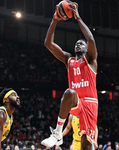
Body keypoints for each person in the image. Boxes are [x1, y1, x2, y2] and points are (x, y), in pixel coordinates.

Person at [41, 1, 98, 150]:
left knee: (86, 146)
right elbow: (48, 43)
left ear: (87, 49)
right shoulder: (69, 60)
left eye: (81, 43)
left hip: (90, 104)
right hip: (76, 102)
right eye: (77, 43)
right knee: (69, 92)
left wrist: (78, 17)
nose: (78, 44)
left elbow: (91, 39)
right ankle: (57, 134)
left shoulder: (91, 61)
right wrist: (54, 20)